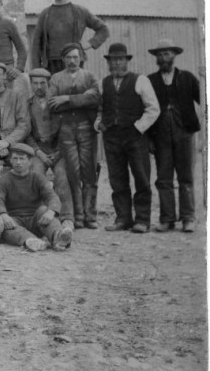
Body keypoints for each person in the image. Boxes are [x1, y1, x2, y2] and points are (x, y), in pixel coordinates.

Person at [96, 43, 160, 233]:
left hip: (135, 137)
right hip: (111, 137)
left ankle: (142, 220)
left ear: (126, 61)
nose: (117, 63)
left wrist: (139, 127)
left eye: (120, 59)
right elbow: (98, 109)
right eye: (113, 60)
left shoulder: (140, 81)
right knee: (117, 179)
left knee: (141, 177)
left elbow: (153, 108)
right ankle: (123, 219)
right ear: (108, 62)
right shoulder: (102, 83)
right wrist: (99, 123)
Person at [147, 39, 201, 233]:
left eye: (167, 54)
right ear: (156, 58)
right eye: (160, 55)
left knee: (186, 177)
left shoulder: (187, 78)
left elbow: (203, 98)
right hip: (160, 134)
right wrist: (149, 138)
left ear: (174, 55)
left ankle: (188, 218)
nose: (163, 58)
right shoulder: (150, 81)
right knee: (163, 178)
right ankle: (167, 219)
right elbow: (144, 110)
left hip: (184, 132)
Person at [47, 43, 100, 229]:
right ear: (63, 59)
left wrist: (67, 99)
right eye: (68, 57)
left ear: (81, 58)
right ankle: (78, 215)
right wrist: (83, 98)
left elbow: (96, 98)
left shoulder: (89, 76)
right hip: (66, 129)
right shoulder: (56, 78)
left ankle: (90, 215)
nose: (72, 61)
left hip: (87, 128)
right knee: (73, 173)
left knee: (89, 172)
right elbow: (52, 104)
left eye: (75, 57)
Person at [0, 143, 72, 252]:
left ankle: (58, 237)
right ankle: (31, 241)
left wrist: (51, 211)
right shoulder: (4, 180)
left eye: (22, 159)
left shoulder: (37, 177)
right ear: (11, 160)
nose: (18, 162)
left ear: (30, 161)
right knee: (5, 225)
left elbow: (51, 196)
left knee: (44, 210)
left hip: (36, 221)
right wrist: (3, 215)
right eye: (15, 158)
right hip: (14, 221)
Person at [30, 0, 109, 73]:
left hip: (74, 62)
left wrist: (91, 43)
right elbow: (36, 44)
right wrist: (36, 70)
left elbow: (103, 29)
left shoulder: (80, 11)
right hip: (52, 64)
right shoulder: (45, 14)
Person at [26, 68, 74, 231]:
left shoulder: (57, 104)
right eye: (35, 83)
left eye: (42, 83)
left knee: (61, 175)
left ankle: (67, 218)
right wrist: (38, 152)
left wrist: (58, 152)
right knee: (36, 174)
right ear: (31, 84)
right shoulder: (27, 105)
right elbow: (27, 134)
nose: (39, 87)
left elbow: (66, 130)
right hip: (38, 149)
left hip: (58, 149)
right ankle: (39, 214)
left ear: (48, 84)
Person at [0, 62, 30, 173]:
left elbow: (24, 124)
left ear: (4, 76)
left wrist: (7, 141)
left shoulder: (16, 96)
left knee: (21, 162)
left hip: (14, 142)